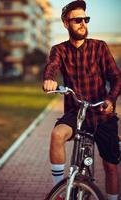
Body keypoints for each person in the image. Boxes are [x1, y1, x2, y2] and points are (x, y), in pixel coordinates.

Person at [43, 1, 121, 200]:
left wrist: (111, 101)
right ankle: (59, 193)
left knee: (111, 166)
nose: (83, 23)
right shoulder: (59, 50)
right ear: (65, 23)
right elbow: (52, 65)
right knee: (57, 135)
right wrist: (49, 79)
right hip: (76, 112)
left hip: (102, 112)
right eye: (77, 20)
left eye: (86, 19)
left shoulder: (100, 47)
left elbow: (116, 77)